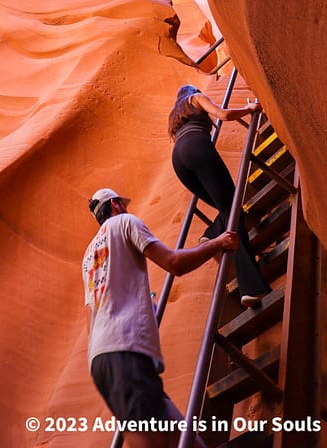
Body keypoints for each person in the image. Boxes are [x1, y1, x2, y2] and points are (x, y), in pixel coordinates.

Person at [83, 187, 239, 448]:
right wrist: (217, 243)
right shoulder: (125, 222)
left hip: (104, 358)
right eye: (124, 204)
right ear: (116, 205)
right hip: (126, 354)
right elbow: (174, 263)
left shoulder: (89, 255)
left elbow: (93, 318)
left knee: (186, 441)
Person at [168, 84, 271, 308]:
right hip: (197, 147)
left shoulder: (176, 117)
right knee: (233, 211)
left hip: (178, 161)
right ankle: (251, 288)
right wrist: (250, 109)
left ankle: (213, 232)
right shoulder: (195, 98)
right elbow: (223, 114)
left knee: (226, 208)